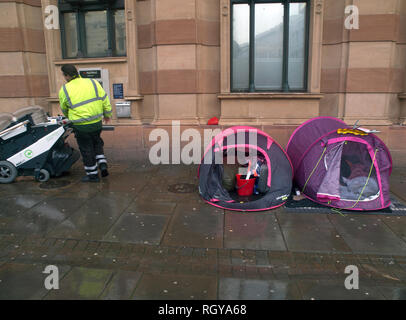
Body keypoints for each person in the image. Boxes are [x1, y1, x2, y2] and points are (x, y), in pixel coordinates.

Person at [58, 64, 112, 182]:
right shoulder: (93, 82)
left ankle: (92, 175)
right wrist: (107, 115)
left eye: (64, 75)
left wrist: (69, 117)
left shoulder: (65, 89)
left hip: (81, 126)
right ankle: (102, 163)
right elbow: (104, 99)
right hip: (96, 123)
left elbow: (64, 108)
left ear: (66, 76)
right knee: (97, 142)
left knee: (86, 149)